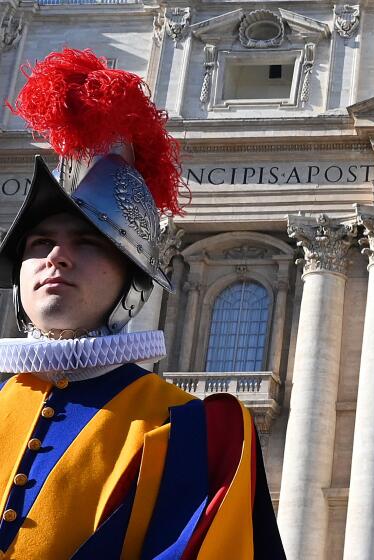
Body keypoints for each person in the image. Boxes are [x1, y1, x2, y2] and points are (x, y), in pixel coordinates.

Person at [0, 49, 284, 559]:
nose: (56, 258)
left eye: (87, 244)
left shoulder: (194, 430)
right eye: (39, 243)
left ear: (132, 284)